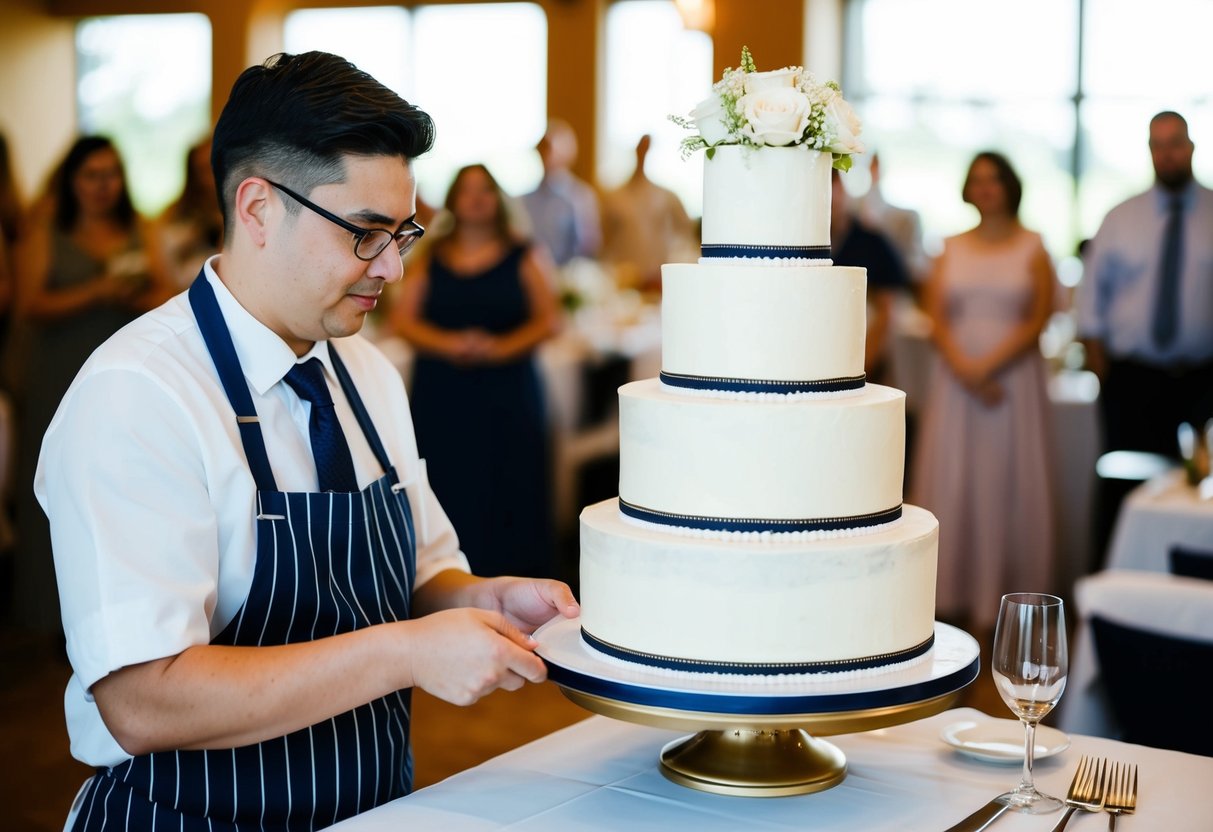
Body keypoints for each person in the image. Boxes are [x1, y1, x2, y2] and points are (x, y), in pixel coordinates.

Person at [36, 52, 578, 830]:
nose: (390, 265)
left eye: (403, 233)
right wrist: (405, 653)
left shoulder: (366, 371)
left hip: (367, 808)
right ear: (256, 207)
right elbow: (142, 701)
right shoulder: (138, 394)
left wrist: (487, 599)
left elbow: (423, 573)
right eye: (364, 233)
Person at [12, 135, 172, 635]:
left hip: (123, 373)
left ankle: (124, 611)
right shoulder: (45, 230)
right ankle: (51, 613)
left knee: (121, 482)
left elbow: (167, 292)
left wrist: (134, 296)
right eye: (91, 175)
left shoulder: (139, 228)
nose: (103, 186)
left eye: (111, 174)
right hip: (57, 370)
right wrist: (97, 291)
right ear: (71, 180)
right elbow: (29, 304)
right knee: (55, 485)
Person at [909, 151, 1056, 632]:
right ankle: (949, 595)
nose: (986, 188)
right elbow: (936, 316)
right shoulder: (949, 246)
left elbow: (1038, 318)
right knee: (956, 479)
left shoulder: (1033, 245)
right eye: (978, 180)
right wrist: (966, 370)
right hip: (958, 383)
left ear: (1010, 186)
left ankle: (1007, 598)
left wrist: (988, 367)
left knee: (1005, 481)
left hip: (1013, 385)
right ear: (968, 189)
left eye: (995, 179)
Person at [392, 163, 560, 580]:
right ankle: (446, 579)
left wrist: (501, 348)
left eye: (485, 189)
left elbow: (549, 320)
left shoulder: (523, 252)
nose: (476, 198)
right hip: (443, 392)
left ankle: (516, 583)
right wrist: (448, 344)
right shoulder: (431, 255)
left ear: (498, 198)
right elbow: (403, 320)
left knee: (511, 485)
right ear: (453, 199)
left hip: (508, 389)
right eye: (466, 190)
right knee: (450, 483)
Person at [1076, 111, 1213, 458]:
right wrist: (1102, 372)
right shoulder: (1120, 218)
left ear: (1192, 147)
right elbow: (1089, 301)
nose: (1168, 154)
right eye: (1158, 145)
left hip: (1203, 381)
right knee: (1124, 490)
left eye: (1176, 144)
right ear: (1150, 151)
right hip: (1132, 381)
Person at [830, 169, 910, 386]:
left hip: (862, 363)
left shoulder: (872, 242)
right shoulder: (797, 246)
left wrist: (860, 366)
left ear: (842, 188)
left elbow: (888, 311)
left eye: (832, 186)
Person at [600, 134, 695, 292]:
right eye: (640, 148)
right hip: (624, 283)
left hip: (660, 282)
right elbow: (604, 242)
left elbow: (686, 236)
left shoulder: (668, 197)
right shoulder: (614, 199)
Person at [520, 118, 601, 266]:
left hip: (568, 278)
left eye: (550, 148)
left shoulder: (580, 197)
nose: (545, 154)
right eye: (542, 148)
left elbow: (588, 247)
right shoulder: (525, 200)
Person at [156, 137, 224, 288]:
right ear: (194, 176)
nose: (214, 177)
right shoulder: (176, 223)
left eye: (219, 166)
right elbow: (169, 282)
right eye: (205, 170)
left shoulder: (248, 213)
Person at [858, 151, 929, 286]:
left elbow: (916, 269)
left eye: (876, 166)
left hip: (893, 283)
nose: (874, 170)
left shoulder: (905, 218)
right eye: (872, 166)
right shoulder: (853, 212)